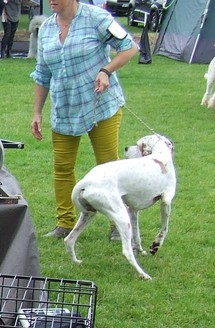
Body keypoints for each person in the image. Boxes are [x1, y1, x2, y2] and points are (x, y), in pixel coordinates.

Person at [30, 0, 137, 239]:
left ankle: (118, 224)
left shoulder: (96, 18)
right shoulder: (47, 28)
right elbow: (42, 73)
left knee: (108, 167)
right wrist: (37, 112)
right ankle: (64, 223)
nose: (51, 1)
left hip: (101, 106)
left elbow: (130, 47)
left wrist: (106, 70)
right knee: (63, 168)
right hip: (65, 108)